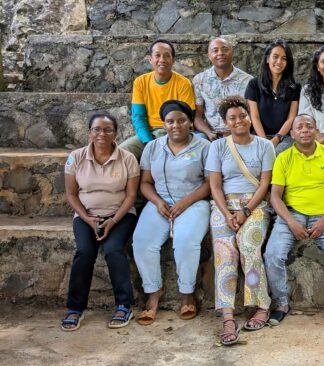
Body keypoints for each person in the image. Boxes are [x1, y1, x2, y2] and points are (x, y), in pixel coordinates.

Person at [264, 114, 324, 326]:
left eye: (309, 126)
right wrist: (291, 222)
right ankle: (281, 303)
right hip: (291, 214)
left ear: (316, 130)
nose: (304, 130)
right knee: (273, 254)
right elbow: (275, 196)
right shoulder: (283, 158)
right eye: (299, 127)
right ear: (292, 133)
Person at [132, 100, 211, 325]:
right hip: (161, 204)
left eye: (181, 120)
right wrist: (157, 202)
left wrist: (186, 203)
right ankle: (153, 293)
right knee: (141, 241)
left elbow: (209, 184)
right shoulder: (153, 147)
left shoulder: (204, 147)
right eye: (170, 121)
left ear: (190, 123)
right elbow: (145, 182)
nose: (175, 125)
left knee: (186, 241)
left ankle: (187, 293)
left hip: (194, 202)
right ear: (164, 124)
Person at [206, 96, 275, 346]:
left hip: (254, 204)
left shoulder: (265, 146)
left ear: (249, 116)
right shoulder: (218, 147)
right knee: (224, 252)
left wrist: (246, 210)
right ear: (225, 122)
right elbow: (214, 185)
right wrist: (226, 213)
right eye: (232, 118)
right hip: (224, 204)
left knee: (249, 246)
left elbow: (266, 183)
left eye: (242, 116)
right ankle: (227, 315)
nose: (238, 121)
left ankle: (261, 306)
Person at [61, 113, 140, 331]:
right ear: (89, 133)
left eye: (107, 130)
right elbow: (71, 194)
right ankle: (75, 309)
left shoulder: (127, 158)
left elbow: (131, 195)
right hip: (86, 216)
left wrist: (113, 221)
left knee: (114, 249)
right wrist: (86, 218)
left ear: (115, 133)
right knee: (84, 251)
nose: (101, 134)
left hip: (120, 215)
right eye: (96, 129)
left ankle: (124, 305)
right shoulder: (76, 157)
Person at [120, 39, 196, 159]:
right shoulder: (140, 82)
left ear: (173, 60)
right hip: (149, 133)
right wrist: (149, 141)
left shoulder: (183, 83)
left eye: (167, 56)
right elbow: (138, 117)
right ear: (150, 59)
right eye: (157, 55)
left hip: (174, 131)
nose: (162, 60)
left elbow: (187, 117)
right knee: (121, 152)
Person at [246, 38, 301, 154]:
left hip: (283, 138)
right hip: (258, 135)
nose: (279, 62)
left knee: (279, 153)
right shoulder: (254, 84)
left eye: (284, 59)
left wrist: (277, 138)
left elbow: (291, 118)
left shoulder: (295, 87)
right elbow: (254, 117)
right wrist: (264, 141)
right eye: (275, 57)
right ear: (267, 59)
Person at [193, 37, 253, 141]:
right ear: (209, 55)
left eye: (225, 49)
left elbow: (252, 114)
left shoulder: (248, 81)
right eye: (215, 50)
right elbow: (198, 117)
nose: (220, 53)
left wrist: (234, 131)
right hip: (210, 134)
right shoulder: (200, 80)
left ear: (232, 52)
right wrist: (208, 133)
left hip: (239, 133)